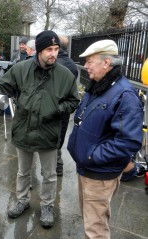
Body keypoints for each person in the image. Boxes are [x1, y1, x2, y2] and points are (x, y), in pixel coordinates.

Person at [0, 30, 79, 228]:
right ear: (39, 51)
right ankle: (22, 200)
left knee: (50, 175)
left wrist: (55, 109)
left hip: (49, 131)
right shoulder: (21, 69)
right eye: (48, 49)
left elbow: (73, 101)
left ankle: (47, 206)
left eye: (56, 49)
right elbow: (1, 87)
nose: (53, 53)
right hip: (24, 129)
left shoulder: (65, 75)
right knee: (23, 172)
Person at [67, 39, 143, 239]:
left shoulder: (125, 95)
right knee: (90, 221)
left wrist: (91, 155)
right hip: (87, 167)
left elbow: (128, 142)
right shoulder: (100, 86)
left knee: (96, 230)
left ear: (106, 62)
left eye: (90, 61)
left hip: (98, 174)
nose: (85, 66)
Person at [56, 35, 79, 176]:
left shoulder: (54, 63)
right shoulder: (72, 64)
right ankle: (58, 166)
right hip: (65, 108)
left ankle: (54, 167)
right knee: (60, 136)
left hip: (53, 106)